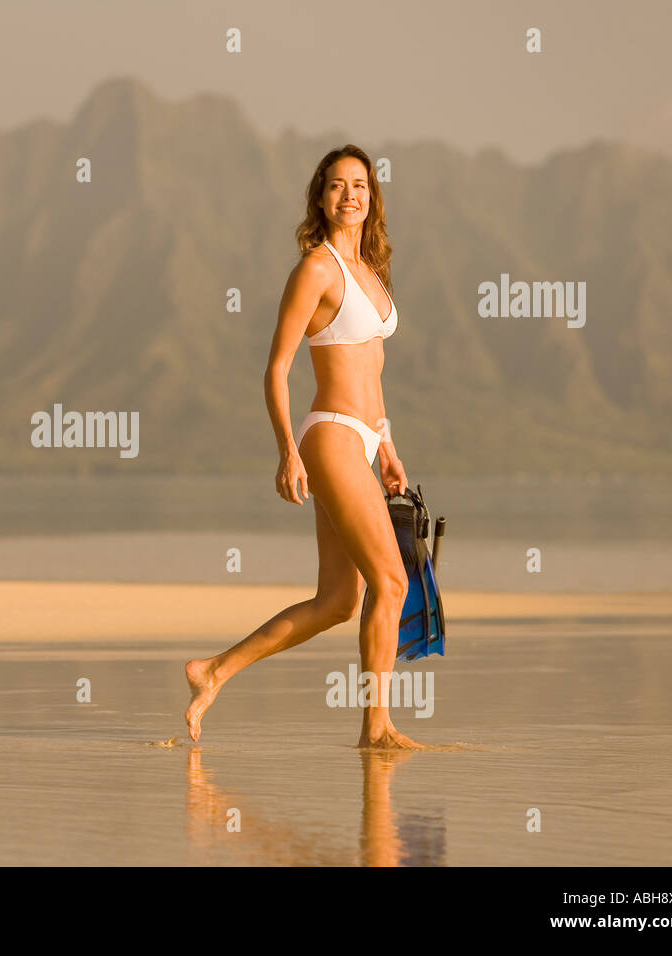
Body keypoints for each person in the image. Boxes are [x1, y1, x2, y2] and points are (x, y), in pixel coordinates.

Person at [184, 144, 423, 750]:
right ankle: (377, 727)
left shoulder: (371, 270)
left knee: (340, 601)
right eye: (339, 185)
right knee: (389, 582)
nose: (352, 195)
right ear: (320, 196)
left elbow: (374, 369)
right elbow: (277, 368)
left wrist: (388, 445)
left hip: (365, 441)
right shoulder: (316, 269)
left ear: (374, 197)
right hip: (330, 436)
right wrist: (287, 450)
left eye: (362, 186)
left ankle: (212, 671)